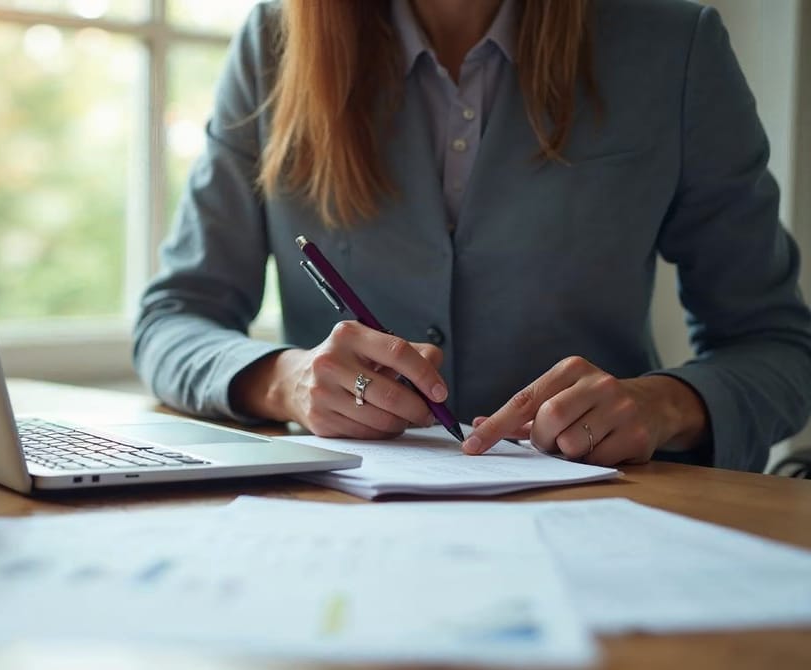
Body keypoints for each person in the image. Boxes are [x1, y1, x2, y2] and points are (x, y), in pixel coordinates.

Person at [133, 0, 811, 472]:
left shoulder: (675, 48)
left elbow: (777, 348)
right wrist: (287, 381)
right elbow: (172, 320)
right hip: (340, 522)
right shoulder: (272, 46)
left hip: (602, 515)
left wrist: (663, 405)